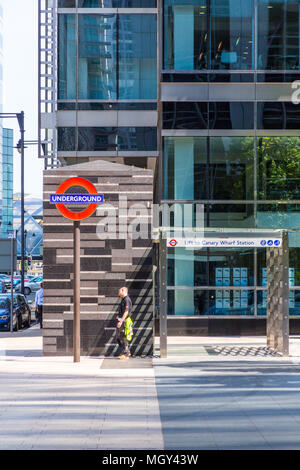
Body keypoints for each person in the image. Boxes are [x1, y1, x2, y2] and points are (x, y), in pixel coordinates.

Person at [116, 286, 132, 359]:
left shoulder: (127, 300)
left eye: (120, 292)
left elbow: (126, 312)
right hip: (121, 320)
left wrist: (121, 321)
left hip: (124, 321)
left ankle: (126, 353)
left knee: (123, 336)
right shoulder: (123, 299)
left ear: (124, 291)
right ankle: (126, 352)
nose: (119, 293)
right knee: (119, 337)